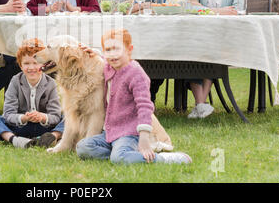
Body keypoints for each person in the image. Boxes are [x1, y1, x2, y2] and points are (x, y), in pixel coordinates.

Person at [76, 29, 192, 164]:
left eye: (117, 49)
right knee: (83, 147)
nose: (112, 55)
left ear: (129, 49)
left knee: (119, 158)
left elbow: (145, 107)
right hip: (110, 133)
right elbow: (103, 60)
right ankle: (125, 155)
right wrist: (94, 53)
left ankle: (165, 159)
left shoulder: (135, 73)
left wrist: (143, 138)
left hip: (129, 133)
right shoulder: (110, 67)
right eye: (108, 50)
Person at [185, 0, 246, 119]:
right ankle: (201, 105)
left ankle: (200, 105)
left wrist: (204, 9)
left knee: (207, 49)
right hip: (201, 36)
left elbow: (238, 9)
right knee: (192, 49)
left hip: (227, 36)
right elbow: (189, 6)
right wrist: (219, 10)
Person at [103, 0, 168, 102]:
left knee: (160, 55)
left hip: (152, 41)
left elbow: (166, 9)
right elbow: (108, 10)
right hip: (121, 42)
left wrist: (127, 7)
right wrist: (142, 6)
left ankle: (148, 96)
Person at [0, 38, 64, 149]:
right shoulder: (15, 81)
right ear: (20, 66)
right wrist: (23, 118)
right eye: (26, 63)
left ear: (43, 64)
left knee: (70, 117)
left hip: (45, 128)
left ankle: (51, 137)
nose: (31, 68)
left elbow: (55, 115)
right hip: (19, 128)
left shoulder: (51, 84)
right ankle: (14, 139)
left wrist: (42, 117)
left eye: (36, 63)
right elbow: (8, 114)